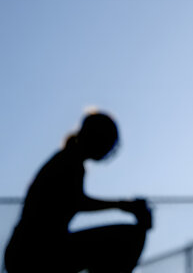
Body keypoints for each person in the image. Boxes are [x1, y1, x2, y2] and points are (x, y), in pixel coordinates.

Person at [4, 112, 152, 273]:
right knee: (128, 237)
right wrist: (122, 205)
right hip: (34, 253)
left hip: (31, 251)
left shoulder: (69, 160)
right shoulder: (68, 161)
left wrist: (122, 205)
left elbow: (74, 201)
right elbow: (77, 201)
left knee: (125, 237)